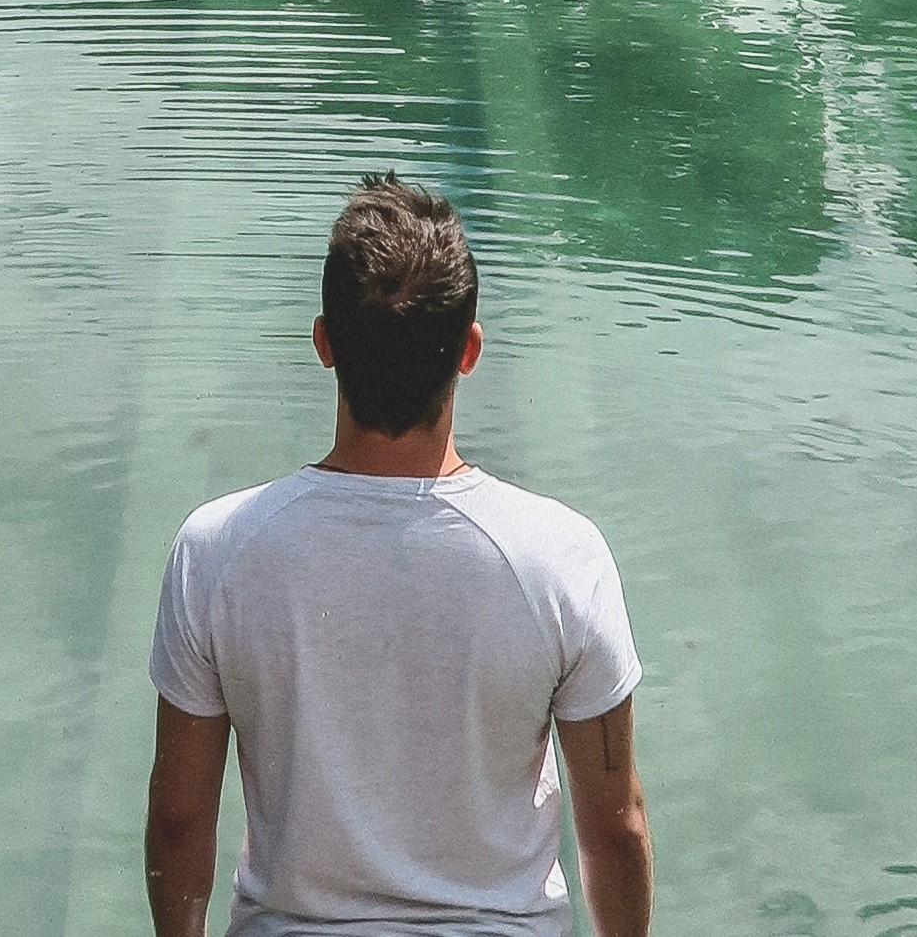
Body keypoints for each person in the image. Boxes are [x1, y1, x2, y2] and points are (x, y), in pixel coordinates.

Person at [143, 177, 652, 937]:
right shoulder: (560, 559)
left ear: (323, 343)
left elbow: (179, 819)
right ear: (470, 352)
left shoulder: (216, 552)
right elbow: (615, 827)